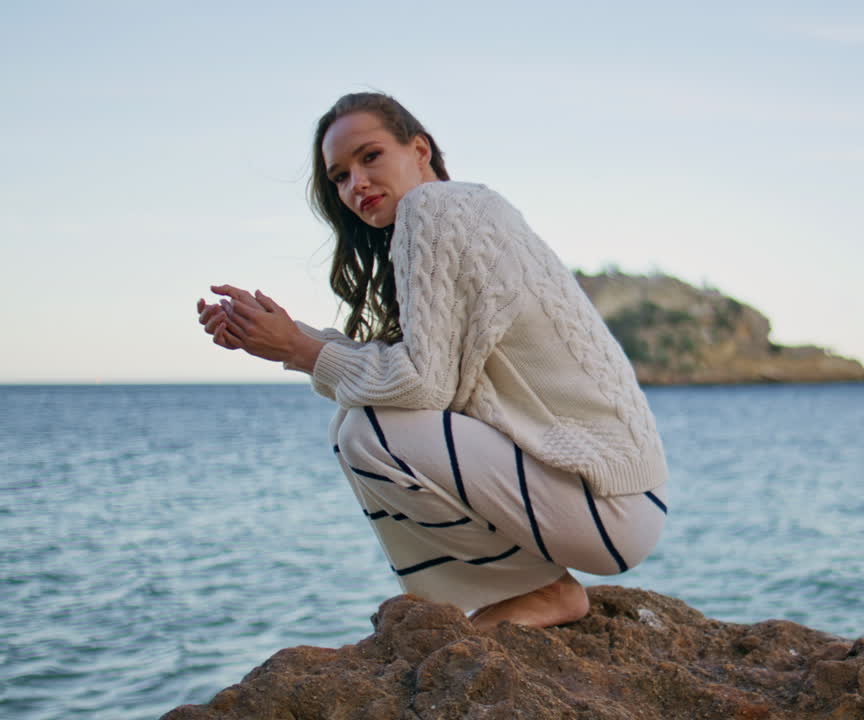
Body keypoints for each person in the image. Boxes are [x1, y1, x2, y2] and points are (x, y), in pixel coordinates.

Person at [195, 92, 669, 630]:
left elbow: (422, 386)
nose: (357, 184)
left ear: (419, 150)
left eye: (370, 157)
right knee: (361, 419)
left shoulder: (434, 209)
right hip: (619, 497)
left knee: (366, 428)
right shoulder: (462, 210)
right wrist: (288, 335)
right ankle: (531, 588)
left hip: (605, 499)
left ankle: (542, 592)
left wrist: (301, 351)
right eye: (340, 176)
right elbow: (426, 370)